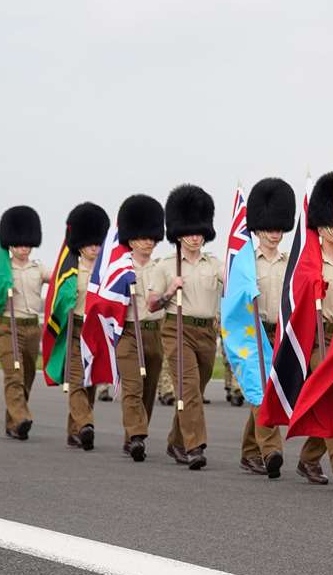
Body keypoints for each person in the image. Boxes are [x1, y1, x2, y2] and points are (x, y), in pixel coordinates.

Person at [152, 184, 221, 471]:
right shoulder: (166, 266)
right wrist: (170, 290)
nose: (195, 236)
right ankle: (195, 446)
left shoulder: (215, 265)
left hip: (207, 332)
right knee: (189, 389)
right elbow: (152, 304)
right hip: (176, 329)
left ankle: (175, 440)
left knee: (191, 389)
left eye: (199, 231)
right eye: (189, 231)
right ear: (178, 233)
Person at [293, 173, 333, 491]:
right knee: (330, 393)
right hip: (317, 338)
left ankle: (308, 457)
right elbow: (295, 296)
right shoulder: (308, 259)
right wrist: (312, 288)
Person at [240, 177, 293, 479]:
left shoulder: (291, 262)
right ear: (258, 228)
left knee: (264, 392)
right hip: (253, 334)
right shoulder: (246, 263)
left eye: (279, 228)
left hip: (281, 332)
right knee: (260, 392)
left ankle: (250, 451)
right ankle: (271, 450)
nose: (274, 234)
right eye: (269, 228)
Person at [115, 194, 166, 461]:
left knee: (148, 389)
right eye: (142, 236)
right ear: (131, 239)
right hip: (128, 332)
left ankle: (132, 434)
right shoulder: (119, 269)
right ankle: (137, 435)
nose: (147, 241)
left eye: (151, 237)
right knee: (132, 386)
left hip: (154, 333)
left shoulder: (164, 267)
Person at [63, 202, 110, 451]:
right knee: (76, 380)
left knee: (90, 382)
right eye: (90, 243)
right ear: (80, 244)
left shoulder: (106, 271)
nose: (94, 247)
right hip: (75, 329)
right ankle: (85, 424)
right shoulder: (69, 271)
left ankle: (76, 430)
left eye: (97, 242)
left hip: (96, 331)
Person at [0, 206, 44, 440]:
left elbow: (61, 280)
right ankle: (23, 417)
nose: (24, 248)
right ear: (11, 245)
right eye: (19, 244)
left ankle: (13, 424)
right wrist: (1, 290)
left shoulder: (38, 269)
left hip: (33, 328)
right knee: (14, 374)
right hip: (8, 327)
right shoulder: (2, 271)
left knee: (26, 377)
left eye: (27, 244)